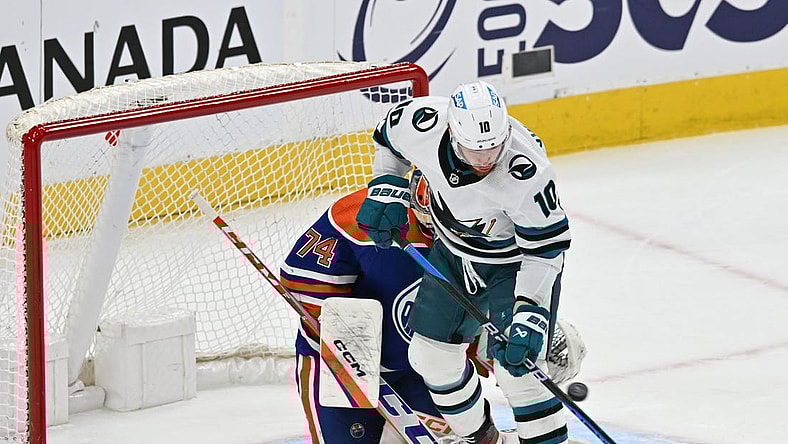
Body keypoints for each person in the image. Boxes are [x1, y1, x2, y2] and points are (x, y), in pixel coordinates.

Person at [281, 171, 584, 443]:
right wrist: (352, 342)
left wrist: (521, 342)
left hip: (424, 372)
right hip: (342, 367)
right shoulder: (363, 217)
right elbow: (300, 281)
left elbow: (492, 306)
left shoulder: (487, 234)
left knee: (475, 436)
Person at [356, 81, 573, 443]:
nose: (486, 160)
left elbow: (546, 251)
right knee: (430, 358)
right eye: (475, 151)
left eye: (494, 148)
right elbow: (387, 142)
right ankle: (483, 439)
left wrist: (530, 314)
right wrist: (387, 189)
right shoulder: (422, 122)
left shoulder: (527, 172)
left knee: (520, 372)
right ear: (452, 132)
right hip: (453, 253)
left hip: (514, 264)